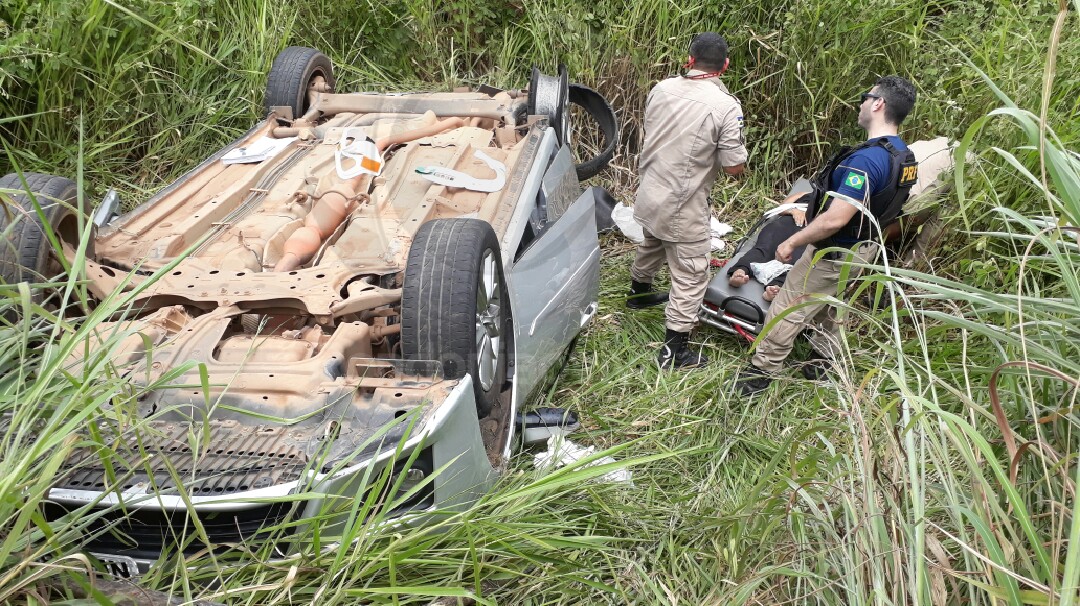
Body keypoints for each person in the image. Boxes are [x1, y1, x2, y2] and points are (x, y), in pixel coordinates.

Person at [735, 75, 918, 395]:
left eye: (866, 96)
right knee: (835, 304)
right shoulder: (905, 156)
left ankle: (761, 373)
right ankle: (822, 360)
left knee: (789, 307)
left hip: (833, 251)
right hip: (865, 248)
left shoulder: (866, 160)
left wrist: (793, 240)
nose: (860, 103)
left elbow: (836, 218)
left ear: (878, 104)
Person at [627, 32, 748, 369]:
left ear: (690, 59)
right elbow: (734, 166)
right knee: (692, 274)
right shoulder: (725, 105)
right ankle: (674, 352)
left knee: (653, 239)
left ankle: (638, 293)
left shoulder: (662, 87)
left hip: (650, 191)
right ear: (725, 65)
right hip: (682, 203)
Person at [727, 199, 808, 301]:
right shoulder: (806, 194)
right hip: (787, 222)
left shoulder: (834, 205)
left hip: (809, 233)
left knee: (798, 259)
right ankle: (740, 272)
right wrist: (793, 210)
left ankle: (775, 286)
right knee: (764, 248)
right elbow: (781, 207)